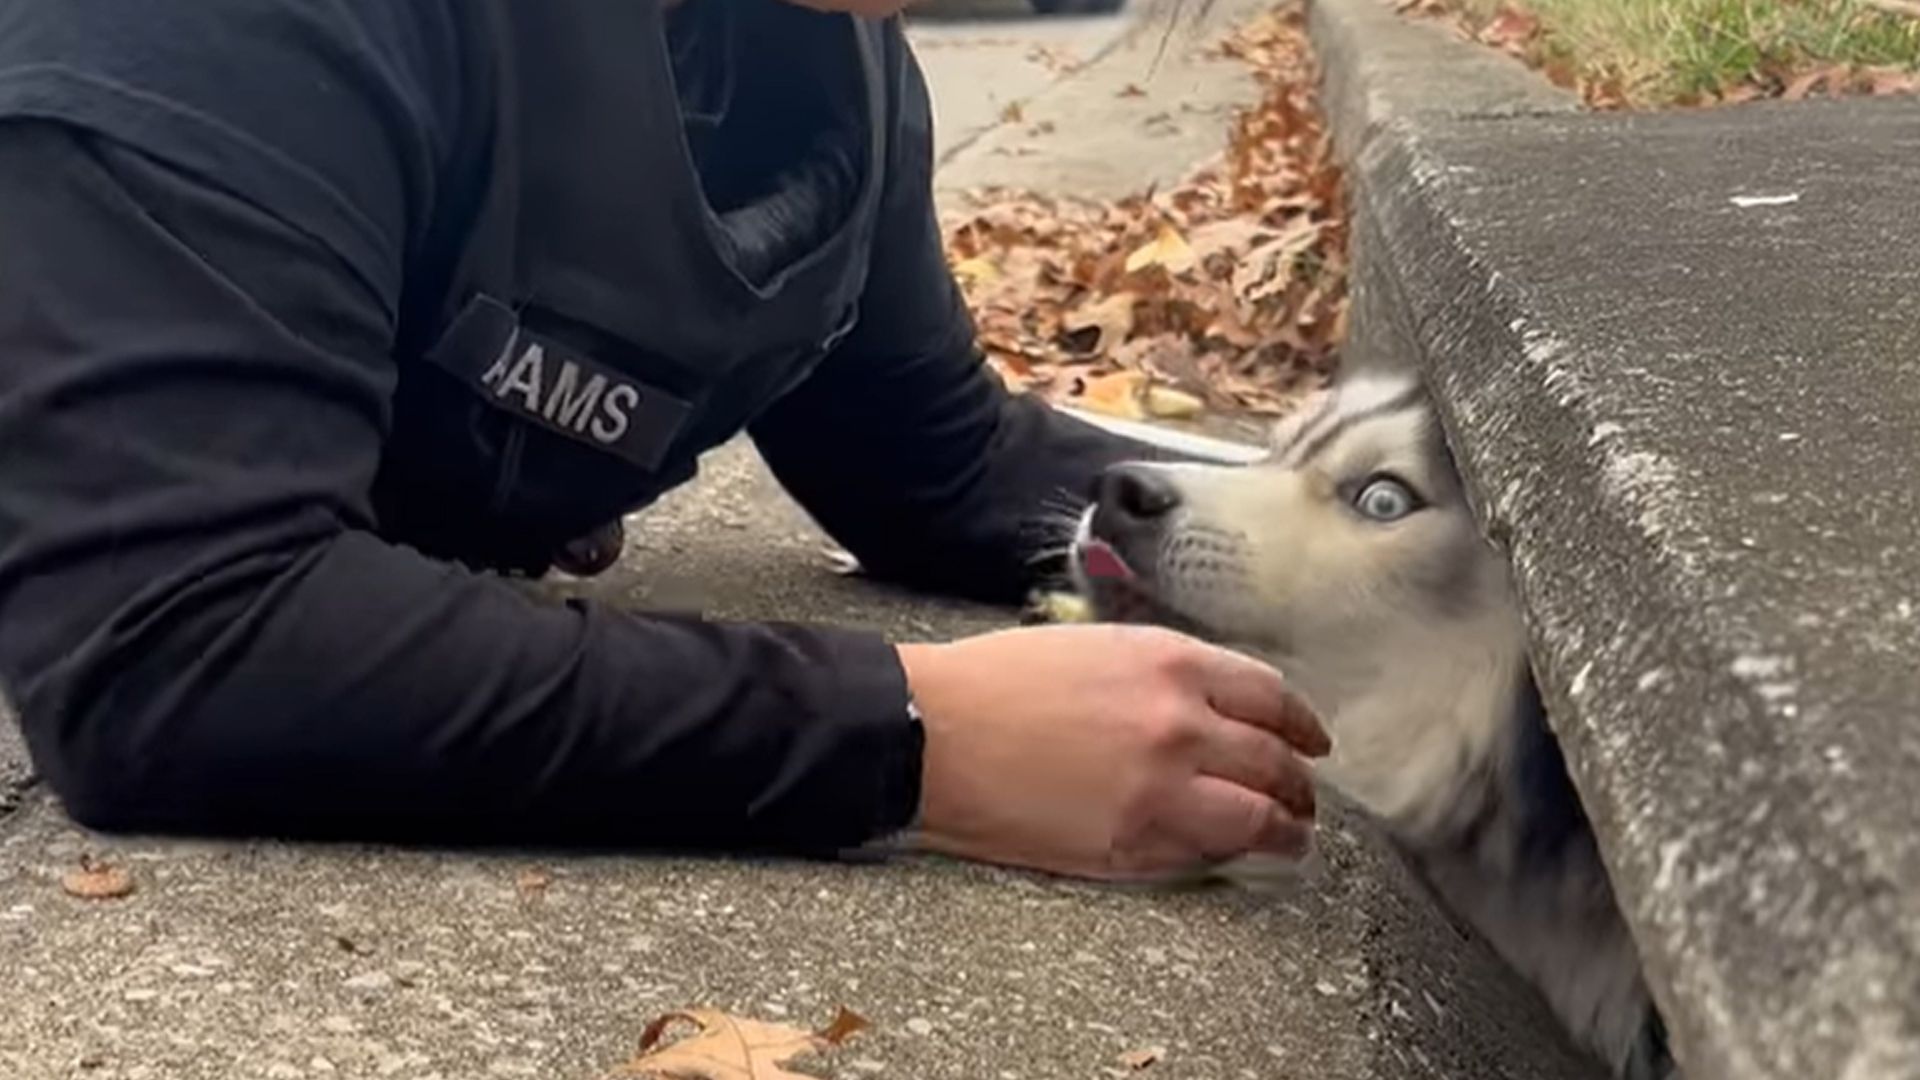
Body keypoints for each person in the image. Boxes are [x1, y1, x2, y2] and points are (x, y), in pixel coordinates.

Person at [0, 0, 1328, 882]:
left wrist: (1355, 535)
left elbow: (945, 462)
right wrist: (920, 734)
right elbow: (176, 641)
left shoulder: (819, 60)